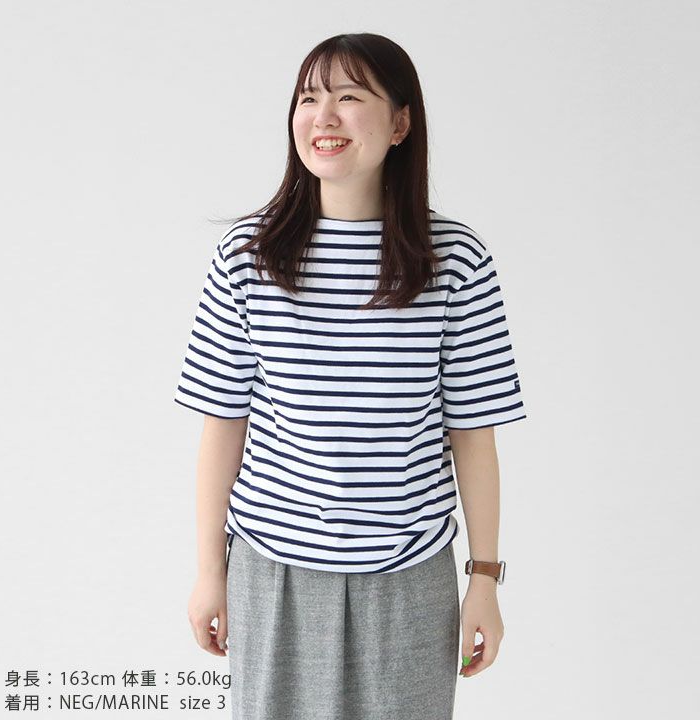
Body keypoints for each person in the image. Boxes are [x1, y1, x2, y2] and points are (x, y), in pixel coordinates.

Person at [175, 32, 527, 720]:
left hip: (410, 577)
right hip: (272, 569)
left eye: (349, 97)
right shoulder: (247, 256)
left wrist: (484, 579)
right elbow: (224, 425)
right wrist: (209, 572)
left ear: (400, 123)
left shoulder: (454, 260)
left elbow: (473, 434)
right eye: (308, 98)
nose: (323, 116)